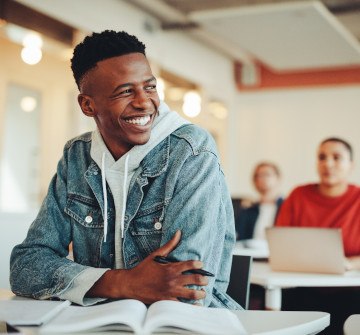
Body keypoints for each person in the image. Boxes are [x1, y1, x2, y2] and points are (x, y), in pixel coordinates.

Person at [10, 30, 239, 309]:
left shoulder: (191, 150)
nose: (144, 102)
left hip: (183, 324)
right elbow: (26, 266)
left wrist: (91, 283)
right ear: (87, 105)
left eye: (150, 87)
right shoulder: (77, 156)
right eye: (126, 91)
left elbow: (187, 289)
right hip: (96, 321)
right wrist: (123, 282)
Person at [275, 137, 360, 335]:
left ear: (351, 165)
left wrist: (350, 263)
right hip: (302, 289)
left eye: (337, 157)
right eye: (322, 157)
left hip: (351, 293)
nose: (328, 164)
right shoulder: (298, 195)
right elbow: (281, 244)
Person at [235, 161, 283, 242]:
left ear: (278, 178)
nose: (262, 178)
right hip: (251, 252)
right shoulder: (248, 210)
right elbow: (239, 237)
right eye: (258, 176)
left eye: (267, 174)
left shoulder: (286, 207)